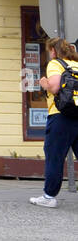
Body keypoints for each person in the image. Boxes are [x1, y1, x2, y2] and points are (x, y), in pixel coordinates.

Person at [31, 37, 78, 208]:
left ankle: (49, 196)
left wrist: (44, 83)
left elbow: (55, 87)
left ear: (53, 51)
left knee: (55, 157)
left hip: (61, 115)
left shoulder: (55, 64)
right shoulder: (76, 64)